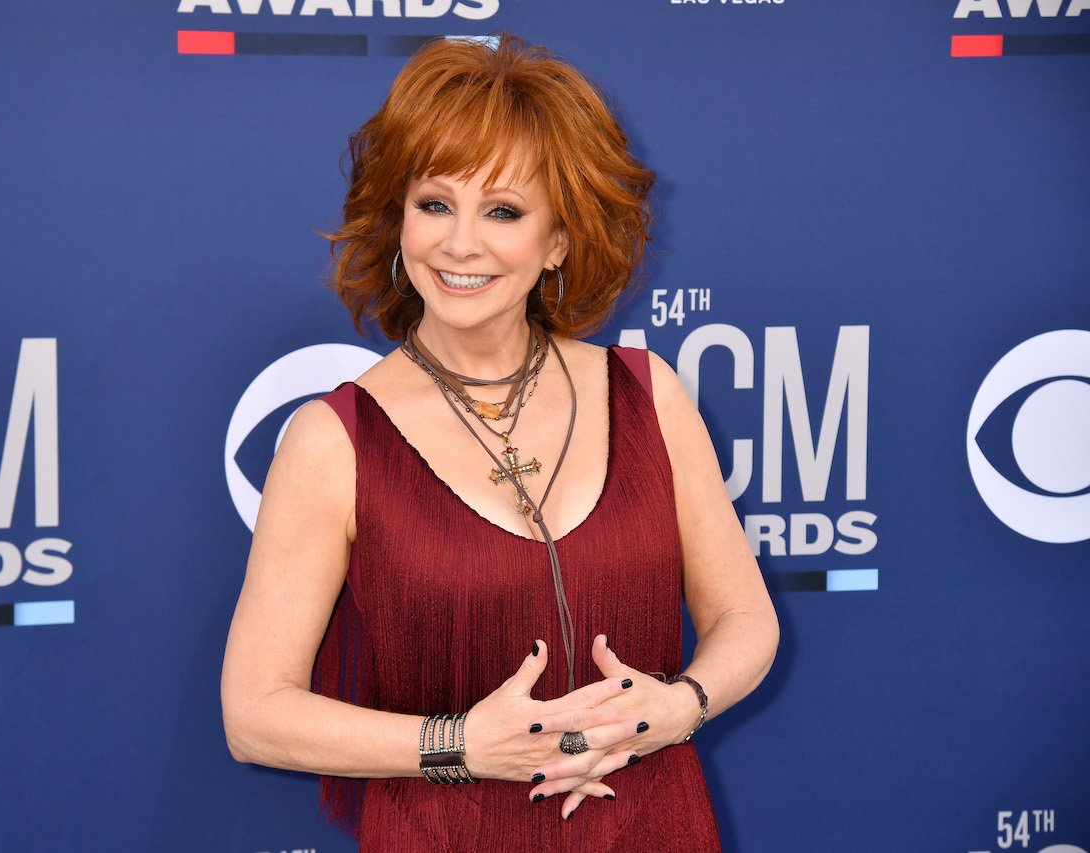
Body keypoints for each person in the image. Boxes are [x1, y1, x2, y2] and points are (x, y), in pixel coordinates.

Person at [220, 33, 778, 851]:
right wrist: (462, 747)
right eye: (434, 203)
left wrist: (677, 706)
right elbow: (254, 713)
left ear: (558, 241)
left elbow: (745, 617)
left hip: (653, 825)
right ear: (398, 217)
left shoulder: (647, 392)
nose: (460, 244)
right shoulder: (334, 439)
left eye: (504, 211)